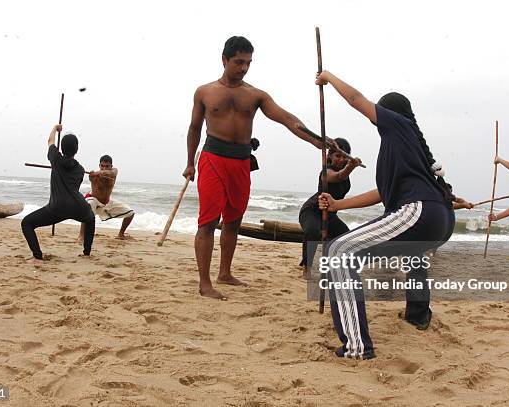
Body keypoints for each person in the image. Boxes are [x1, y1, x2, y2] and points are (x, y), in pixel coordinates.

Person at [316, 71, 455, 359]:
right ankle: (418, 314)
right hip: (438, 219)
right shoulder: (407, 145)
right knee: (412, 255)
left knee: (338, 251)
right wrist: (338, 205)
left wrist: (329, 76)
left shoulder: (398, 125)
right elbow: (383, 192)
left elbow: (356, 99)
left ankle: (356, 347)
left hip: (418, 211)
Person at [182, 36, 331, 300]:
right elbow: (194, 128)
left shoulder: (255, 95)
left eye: (248, 63)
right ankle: (204, 283)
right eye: (239, 62)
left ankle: (224, 273)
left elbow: (286, 118)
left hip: (241, 162)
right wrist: (189, 163)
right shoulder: (204, 91)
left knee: (234, 219)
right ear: (224, 59)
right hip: (213, 158)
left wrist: (315, 138)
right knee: (208, 221)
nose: (244, 68)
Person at [21, 125, 95, 261]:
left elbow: (50, 140)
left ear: (61, 148)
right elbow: (75, 186)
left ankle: (37, 256)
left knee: (26, 223)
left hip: (57, 207)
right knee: (90, 219)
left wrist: (55, 128)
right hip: (78, 205)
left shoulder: (55, 158)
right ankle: (87, 253)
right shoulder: (80, 169)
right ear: (77, 149)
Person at [299, 138, 363, 278]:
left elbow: (343, 176)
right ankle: (307, 268)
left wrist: (349, 167)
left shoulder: (346, 175)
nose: (341, 159)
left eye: (344, 156)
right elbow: (339, 176)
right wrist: (350, 167)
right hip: (312, 211)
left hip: (331, 215)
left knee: (346, 236)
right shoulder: (325, 172)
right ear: (329, 156)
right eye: (337, 156)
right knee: (313, 232)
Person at [78, 155, 135, 241]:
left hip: (107, 202)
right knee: (89, 204)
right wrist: (94, 175)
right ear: (99, 165)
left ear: (111, 166)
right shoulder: (94, 176)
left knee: (131, 213)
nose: (104, 168)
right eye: (102, 166)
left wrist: (100, 172)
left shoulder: (114, 172)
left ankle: (121, 234)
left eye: (107, 166)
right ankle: (81, 235)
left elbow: (112, 173)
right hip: (94, 200)